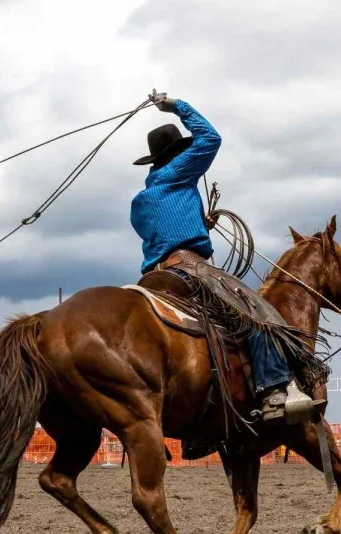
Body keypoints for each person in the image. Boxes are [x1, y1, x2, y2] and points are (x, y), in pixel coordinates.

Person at [130, 89, 314, 424]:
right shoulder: (178, 173)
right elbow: (210, 137)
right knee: (258, 314)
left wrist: (199, 224)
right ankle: (274, 389)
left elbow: (162, 233)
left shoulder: (142, 199)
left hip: (156, 274)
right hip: (191, 268)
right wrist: (175, 107)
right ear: (177, 155)